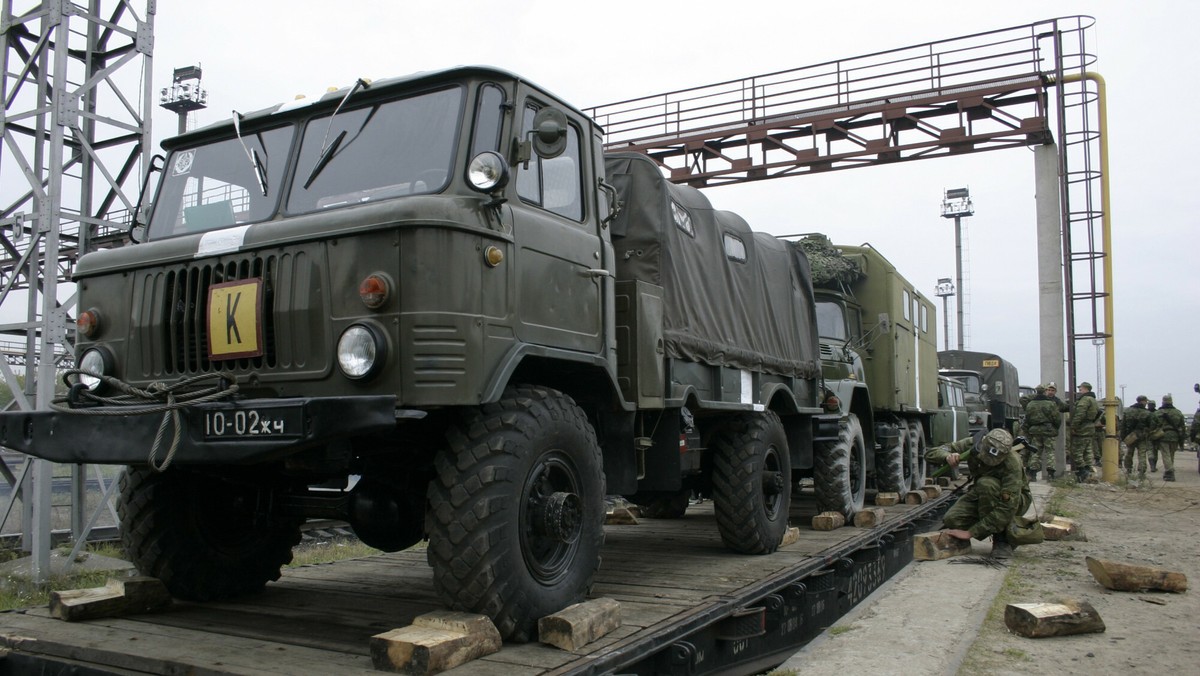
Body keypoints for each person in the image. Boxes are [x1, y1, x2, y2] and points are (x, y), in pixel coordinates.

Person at [926, 428, 1032, 559]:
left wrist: (971, 532)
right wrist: (946, 456)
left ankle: (1002, 539)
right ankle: (978, 532)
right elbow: (931, 453)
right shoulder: (972, 444)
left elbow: (1008, 507)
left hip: (1015, 501)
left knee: (987, 484)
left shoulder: (1012, 463)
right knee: (953, 519)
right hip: (983, 493)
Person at [1023, 384, 1062, 481]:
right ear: (1045, 391)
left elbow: (1027, 419)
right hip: (1048, 430)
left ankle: (1033, 474)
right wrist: (1055, 428)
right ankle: (1050, 474)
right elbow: (1057, 419)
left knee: (1035, 452)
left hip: (1035, 430)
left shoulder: (1030, 404)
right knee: (1050, 452)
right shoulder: (1051, 404)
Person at [1069, 382, 1101, 482]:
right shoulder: (1093, 400)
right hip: (1090, 427)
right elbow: (1099, 413)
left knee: (1076, 451)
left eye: (1081, 389)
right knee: (1087, 451)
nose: (1080, 391)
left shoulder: (1085, 400)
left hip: (1082, 428)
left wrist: (1074, 426)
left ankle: (1083, 471)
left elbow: (1080, 414)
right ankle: (1088, 471)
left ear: (1085, 389)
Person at [1153, 394, 1187, 481]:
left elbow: (1153, 425)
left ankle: (1169, 472)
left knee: (1166, 454)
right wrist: (1182, 438)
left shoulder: (1157, 413)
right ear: (1171, 401)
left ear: (1163, 402)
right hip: (1175, 436)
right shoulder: (1178, 413)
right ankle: (1170, 470)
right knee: (1171, 454)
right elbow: (1182, 427)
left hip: (1163, 435)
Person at [1121, 395, 1154, 480]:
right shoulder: (1147, 413)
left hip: (1130, 436)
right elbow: (1152, 426)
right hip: (1142, 436)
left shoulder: (1128, 411)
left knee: (1129, 453)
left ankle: (1128, 470)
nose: (1146, 403)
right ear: (1143, 401)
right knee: (1142, 454)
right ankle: (1141, 472)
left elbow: (1123, 425)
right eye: (1146, 401)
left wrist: (1123, 437)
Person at [1145, 399, 1160, 472]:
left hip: (1148, 434)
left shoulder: (1145, 413)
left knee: (1150, 450)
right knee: (1154, 451)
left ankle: (1152, 466)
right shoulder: (1158, 413)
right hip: (1156, 434)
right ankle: (1153, 466)